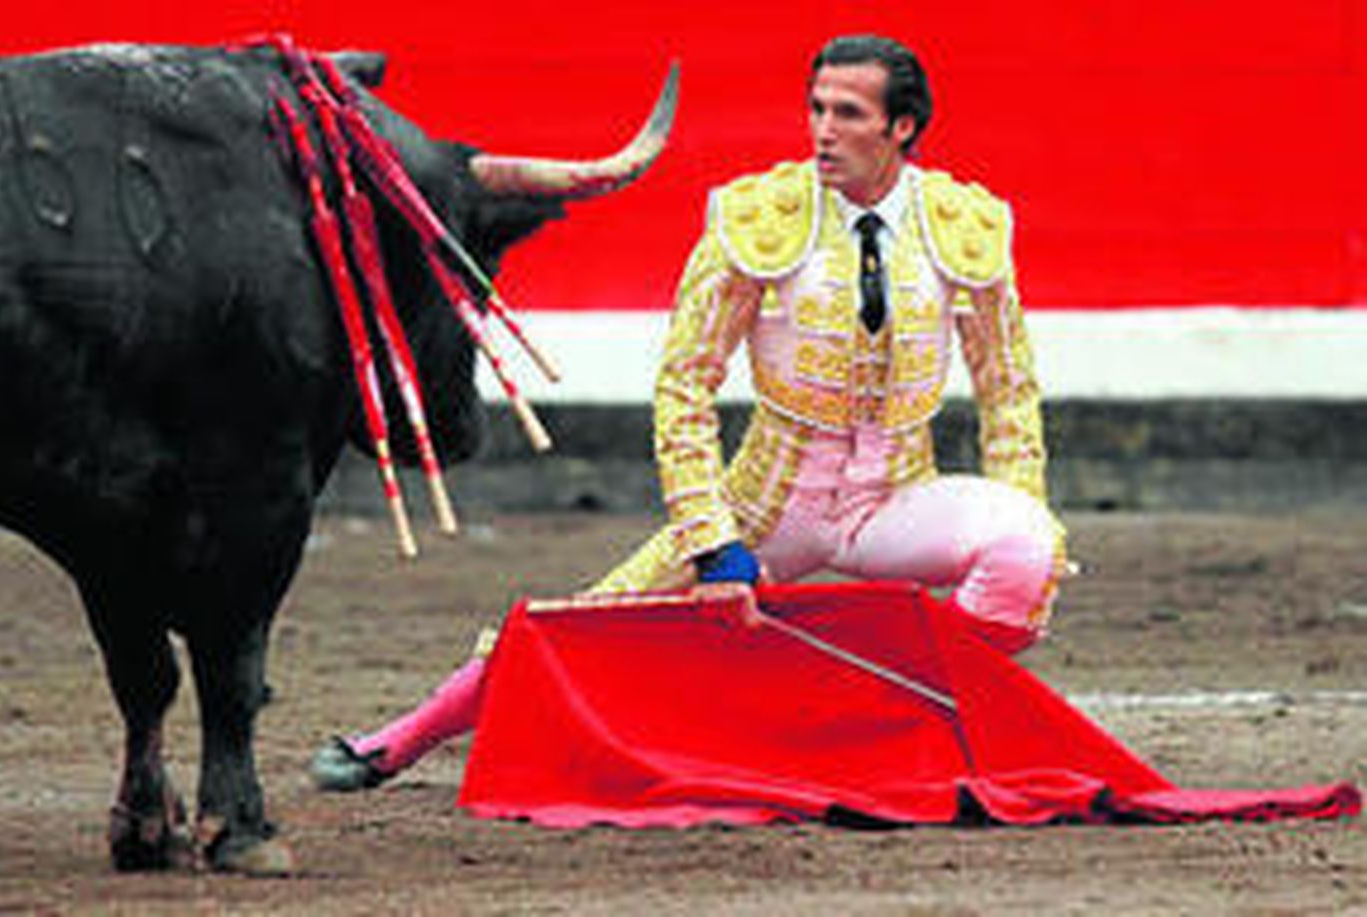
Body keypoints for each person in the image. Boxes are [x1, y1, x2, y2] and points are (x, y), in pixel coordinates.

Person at [310, 33, 1066, 792]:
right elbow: (685, 386)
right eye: (816, 108)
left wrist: (1021, 505)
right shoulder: (758, 216)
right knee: (582, 617)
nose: (823, 130)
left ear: (901, 127)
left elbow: (1007, 386)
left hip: (898, 497)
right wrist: (714, 544)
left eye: (848, 113)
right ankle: (406, 736)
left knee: (1029, 551)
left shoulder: (962, 225)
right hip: (771, 502)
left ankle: (906, 717)